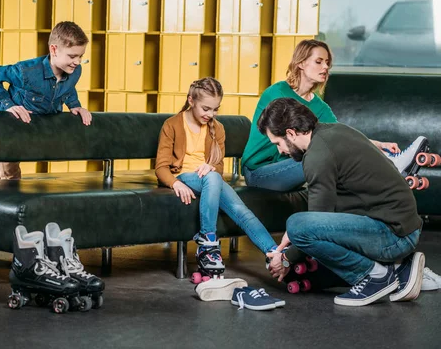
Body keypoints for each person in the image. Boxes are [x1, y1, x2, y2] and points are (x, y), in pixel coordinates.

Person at [260, 97, 424, 307]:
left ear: (291, 133)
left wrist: (285, 259)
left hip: (394, 236)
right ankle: (400, 267)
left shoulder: (317, 156)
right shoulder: (334, 131)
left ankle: (375, 276)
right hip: (405, 228)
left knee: (297, 225)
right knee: (299, 227)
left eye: (278, 143)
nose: (279, 151)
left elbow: (312, 226)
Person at [241, 39, 414, 192]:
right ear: (301, 63)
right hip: (260, 172)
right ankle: (391, 169)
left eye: (327, 62)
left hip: (291, 166)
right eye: (318, 62)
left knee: (332, 154)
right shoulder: (277, 94)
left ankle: (390, 168)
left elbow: (341, 136)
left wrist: (379, 146)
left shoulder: (320, 106)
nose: (325, 67)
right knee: (323, 157)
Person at [155, 77, 279, 276]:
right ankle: (207, 241)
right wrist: (175, 183)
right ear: (191, 100)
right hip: (185, 177)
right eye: (206, 109)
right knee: (214, 179)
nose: (210, 114)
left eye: (215, 109)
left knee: (241, 210)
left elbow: (218, 166)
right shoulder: (171, 125)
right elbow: (160, 167)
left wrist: (211, 167)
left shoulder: (218, 128)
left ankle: (274, 253)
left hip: (209, 180)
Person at [0, 21, 92, 180]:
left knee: (9, 178)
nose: (77, 61)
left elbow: (67, 87)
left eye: (80, 56)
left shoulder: (75, 71)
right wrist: (8, 105)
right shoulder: (25, 72)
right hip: (12, 129)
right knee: (8, 178)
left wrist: (75, 105)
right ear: (54, 49)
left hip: (35, 131)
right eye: (72, 56)